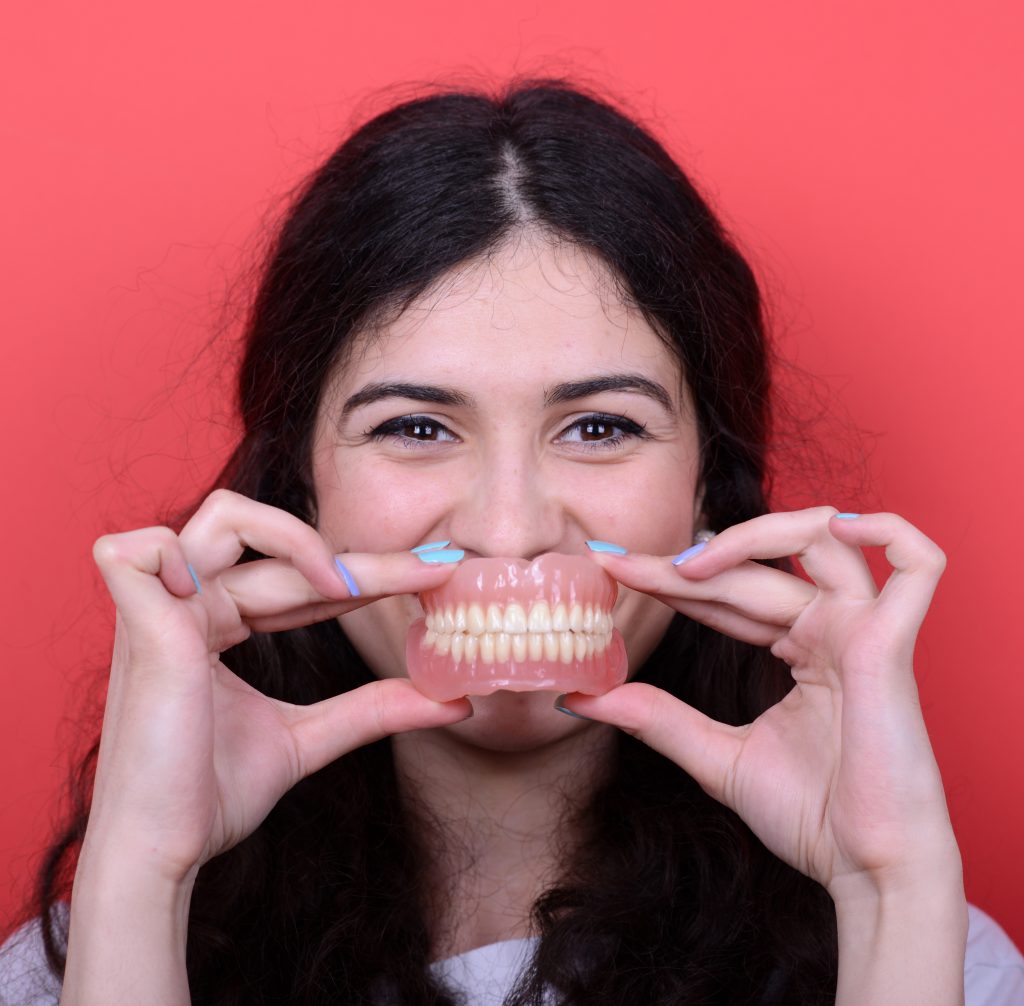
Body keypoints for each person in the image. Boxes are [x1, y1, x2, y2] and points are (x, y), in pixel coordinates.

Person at [2, 79, 1022, 1006]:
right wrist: (144, 872)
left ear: (707, 484)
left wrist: (888, 884)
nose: (510, 528)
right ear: (297, 488)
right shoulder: (85, 964)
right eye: (414, 427)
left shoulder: (933, 961)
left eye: (599, 428)